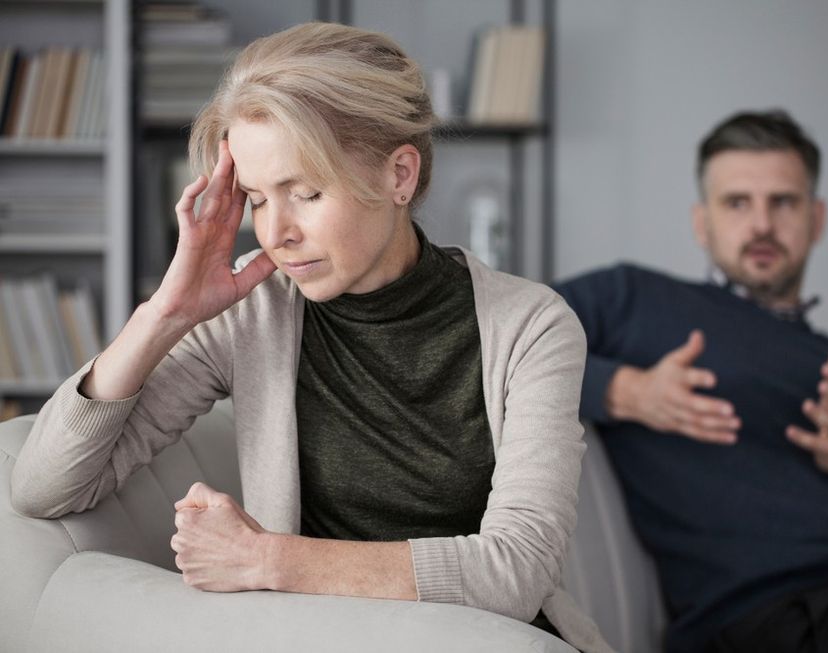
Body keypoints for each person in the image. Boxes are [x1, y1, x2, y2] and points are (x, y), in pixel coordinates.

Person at [11, 22, 610, 653]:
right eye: (257, 200)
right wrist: (166, 310)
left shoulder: (531, 326)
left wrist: (266, 560)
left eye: (305, 193)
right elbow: (43, 487)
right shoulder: (252, 316)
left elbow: (515, 573)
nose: (276, 233)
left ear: (398, 175)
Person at [553, 109, 828, 653]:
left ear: (817, 219)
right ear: (702, 222)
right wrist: (624, 392)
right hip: (788, 610)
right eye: (737, 203)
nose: (761, 225)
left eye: (783, 202)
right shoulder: (632, 302)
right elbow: (496, 336)